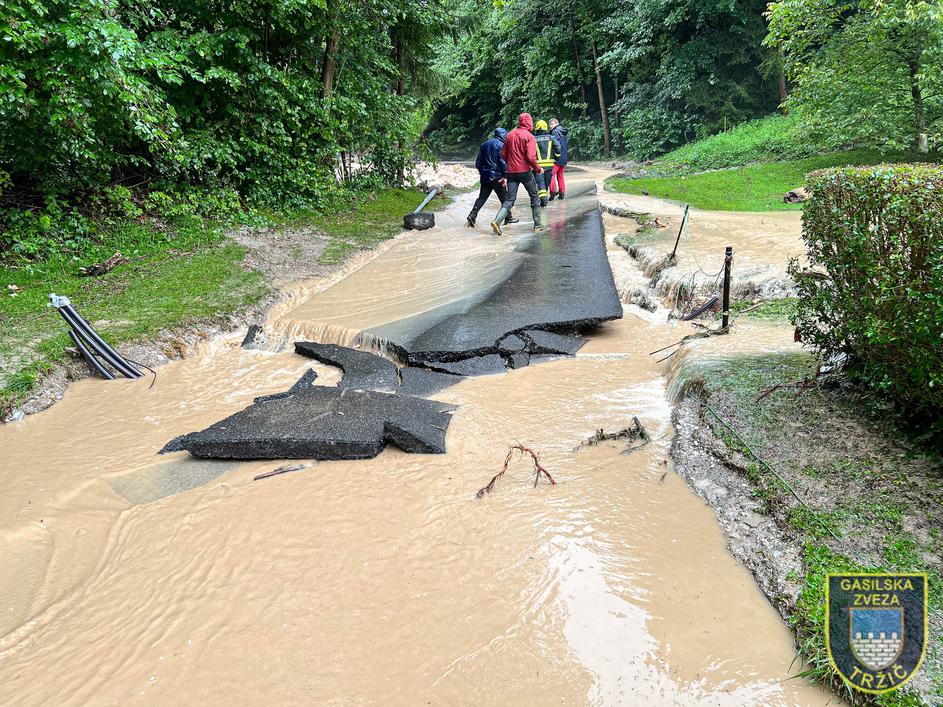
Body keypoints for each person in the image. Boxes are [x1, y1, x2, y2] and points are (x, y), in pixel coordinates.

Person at [492, 112, 545, 235]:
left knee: (510, 199)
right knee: (534, 196)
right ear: (529, 122)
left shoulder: (510, 135)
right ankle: (538, 225)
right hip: (525, 172)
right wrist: (538, 169)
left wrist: (511, 163)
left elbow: (503, 155)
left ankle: (497, 221)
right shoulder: (529, 136)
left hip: (511, 172)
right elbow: (531, 158)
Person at [467, 128, 519, 228]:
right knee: (505, 198)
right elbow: (503, 162)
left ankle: (472, 215)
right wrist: (505, 176)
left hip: (485, 177)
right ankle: (508, 218)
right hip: (497, 177)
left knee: (482, 198)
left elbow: (478, 163)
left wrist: (483, 173)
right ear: (503, 135)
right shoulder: (501, 145)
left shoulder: (484, 144)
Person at [533, 119, 561, 207]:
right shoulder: (551, 137)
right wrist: (556, 156)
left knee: (540, 183)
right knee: (546, 184)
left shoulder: (533, 138)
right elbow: (558, 148)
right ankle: (544, 200)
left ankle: (543, 201)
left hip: (538, 166)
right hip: (549, 165)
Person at [548, 118, 569, 200]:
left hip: (557, 158)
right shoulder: (563, 131)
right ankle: (562, 193)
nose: (550, 126)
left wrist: (553, 157)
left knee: (551, 175)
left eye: (551, 124)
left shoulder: (555, 131)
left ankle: (553, 192)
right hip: (564, 157)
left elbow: (555, 146)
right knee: (560, 176)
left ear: (556, 123)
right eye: (549, 124)